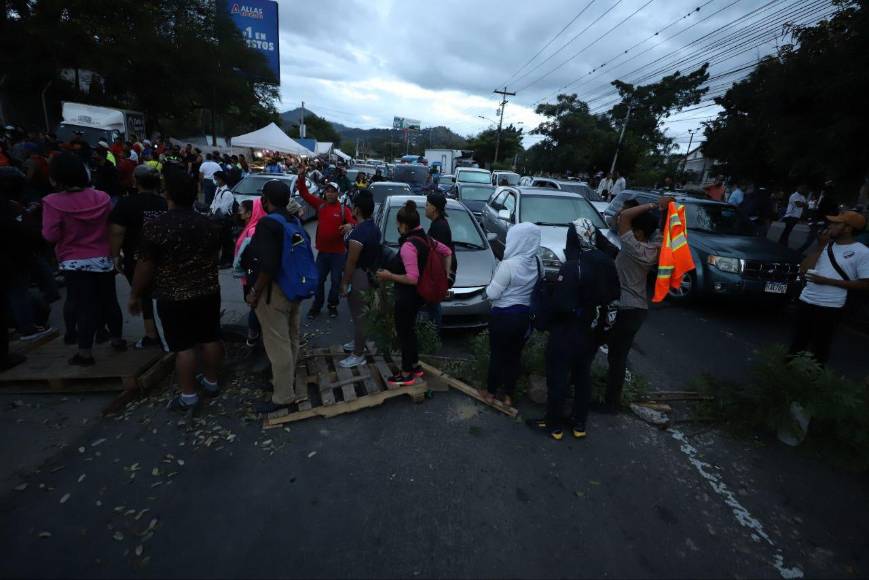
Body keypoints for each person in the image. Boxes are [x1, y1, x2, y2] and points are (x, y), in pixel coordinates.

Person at [131, 168, 223, 413]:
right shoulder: (210, 224)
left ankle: (189, 396)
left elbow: (144, 266)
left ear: (167, 194)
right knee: (210, 337)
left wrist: (135, 294)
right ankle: (212, 382)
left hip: (174, 295)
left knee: (184, 347)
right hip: (208, 291)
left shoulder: (156, 227)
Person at [528, 219, 620, 440]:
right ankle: (579, 424)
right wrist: (603, 331)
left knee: (558, 377)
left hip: (567, 332)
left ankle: (554, 425)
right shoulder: (606, 261)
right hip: (592, 331)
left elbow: (561, 305)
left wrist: (543, 315)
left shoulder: (573, 265)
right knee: (582, 377)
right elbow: (614, 299)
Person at [42, 153, 125, 365]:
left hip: (74, 262)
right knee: (109, 301)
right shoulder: (102, 198)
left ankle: (85, 353)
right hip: (103, 259)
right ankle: (117, 339)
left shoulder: (52, 202)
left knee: (84, 306)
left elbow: (50, 235)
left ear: (55, 177)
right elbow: (112, 225)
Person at [245, 181, 312, 414]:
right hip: (294, 289)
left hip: (274, 292)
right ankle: (285, 382)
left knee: (277, 344)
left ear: (265, 199)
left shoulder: (268, 223)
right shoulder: (293, 220)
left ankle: (283, 396)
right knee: (291, 337)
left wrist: (255, 292)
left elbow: (268, 264)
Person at [376, 200, 452, 386]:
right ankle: (415, 366)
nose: (396, 227)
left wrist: (389, 275)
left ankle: (406, 373)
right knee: (410, 331)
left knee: (404, 333)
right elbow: (448, 251)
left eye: (398, 223)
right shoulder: (427, 238)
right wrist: (447, 274)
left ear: (403, 224)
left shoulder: (409, 246)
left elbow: (412, 278)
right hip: (420, 296)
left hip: (408, 296)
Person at [605, 197, 669, 412]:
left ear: (639, 232)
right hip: (638, 309)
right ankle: (612, 398)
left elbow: (624, 217)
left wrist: (653, 205)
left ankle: (611, 403)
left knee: (616, 357)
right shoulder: (654, 247)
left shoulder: (633, 247)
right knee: (618, 356)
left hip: (626, 308)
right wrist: (663, 211)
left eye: (633, 229)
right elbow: (657, 228)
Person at [788, 211, 869, 365]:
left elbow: (865, 284)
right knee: (797, 343)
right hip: (806, 300)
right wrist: (819, 247)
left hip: (831, 306)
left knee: (820, 348)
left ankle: (813, 381)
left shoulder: (863, 252)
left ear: (848, 229)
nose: (830, 226)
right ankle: (786, 376)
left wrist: (827, 281)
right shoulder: (825, 244)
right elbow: (803, 269)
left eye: (836, 223)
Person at [483, 222, 541, 406]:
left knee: (497, 355)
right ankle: (508, 395)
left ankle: (491, 392)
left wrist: (486, 289)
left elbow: (492, 294)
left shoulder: (508, 265)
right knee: (514, 357)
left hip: (502, 317)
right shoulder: (538, 263)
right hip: (524, 317)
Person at [109, 165, 167, 349]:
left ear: (135, 181)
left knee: (143, 295)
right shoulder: (164, 203)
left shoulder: (126, 204)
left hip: (136, 259)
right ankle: (162, 331)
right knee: (161, 294)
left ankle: (152, 335)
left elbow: (117, 232)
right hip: (163, 257)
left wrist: (115, 255)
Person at [297, 165, 355, 319]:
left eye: (332, 191)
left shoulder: (344, 209)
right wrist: (301, 177)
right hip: (322, 253)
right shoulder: (320, 205)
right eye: (327, 190)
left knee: (335, 282)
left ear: (338, 193)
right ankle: (316, 306)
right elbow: (303, 193)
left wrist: (350, 225)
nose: (329, 193)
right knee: (318, 281)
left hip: (338, 254)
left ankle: (332, 305)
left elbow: (354, 222)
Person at [338, 191, 381, 368]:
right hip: (369, 273)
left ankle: (358, 354)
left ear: (356, 209)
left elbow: (351, 261)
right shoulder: (372, 227)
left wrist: (344, 283)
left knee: (359, 315)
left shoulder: (358, 235)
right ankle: (357, 342)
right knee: (360, 315)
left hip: (359, 276)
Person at [234, 199, 266, 347]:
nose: (239, 211)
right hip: (250, 275)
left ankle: (253, 334)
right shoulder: (252, 226)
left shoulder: (254, 230)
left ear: (249, 213)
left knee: (254, 304)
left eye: (241, 209)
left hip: (252, 277)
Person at [424, 192, 457, 329]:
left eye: (427, 205)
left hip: (439, 274)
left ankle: (433, 336)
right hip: (438, 273)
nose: (425, 208)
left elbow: (440, 254)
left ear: (435, 208)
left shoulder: (440, 227)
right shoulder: (438, 224)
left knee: (434, 305)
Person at [209, 171, 236, 268]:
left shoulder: (227, 193)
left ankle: (227, 262)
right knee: (220, 240)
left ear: (221, 180)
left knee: (226, 242)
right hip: (217, 219)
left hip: (224, 220)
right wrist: (211, 210)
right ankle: (220, 261)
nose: (214, 181)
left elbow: (223, 210)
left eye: (216, 179)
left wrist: (215, 214)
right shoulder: (218, 189)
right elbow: (214, 202)